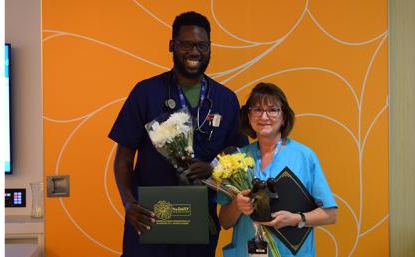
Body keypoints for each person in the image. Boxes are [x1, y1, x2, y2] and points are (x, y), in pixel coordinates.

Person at [109, 11, 248, 257]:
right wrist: (129, 203)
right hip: (149, 218)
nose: (194, 51)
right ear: (172, 45)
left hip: (199, 222)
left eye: (201, 45)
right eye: (186, 44)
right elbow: (123, 158)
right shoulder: (145, 92)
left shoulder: (226, 99)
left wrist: (213, 168)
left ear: (210, 48)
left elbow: (236, 153)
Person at [218, 82, 338, 257]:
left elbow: (331, 215)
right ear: (249, 116)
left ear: (284, 117)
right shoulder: (236, 160)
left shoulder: (303, 156)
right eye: (257, 109)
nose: (264, 116)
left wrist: (297, 219)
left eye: (273, 110)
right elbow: (225, 222)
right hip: (246, 252)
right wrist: (237, 205)